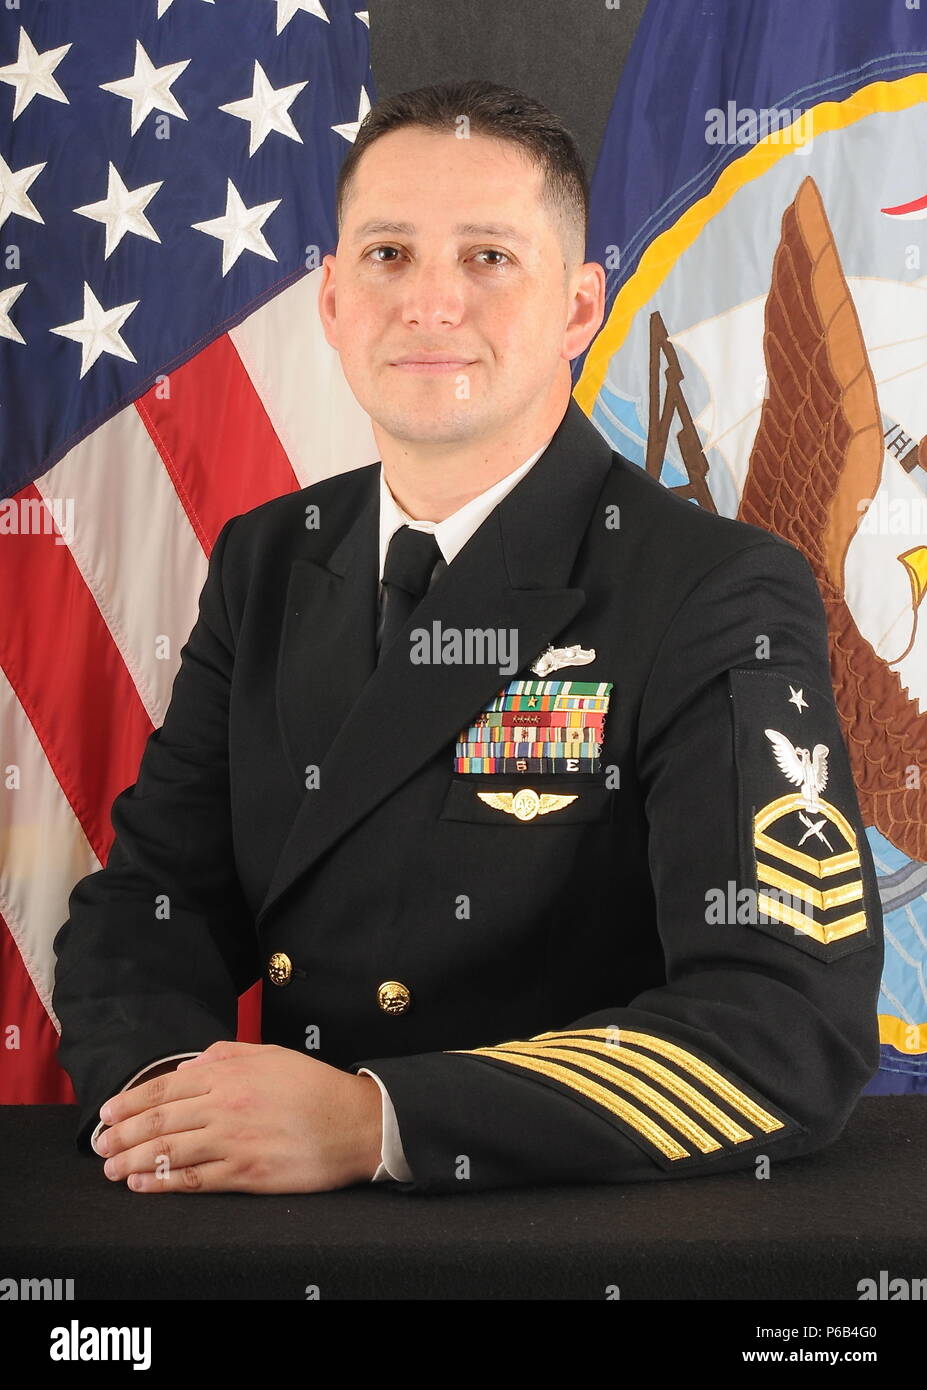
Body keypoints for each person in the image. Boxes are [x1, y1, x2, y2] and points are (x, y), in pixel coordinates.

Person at [52, 79, 883, 1197]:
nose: (429, 304)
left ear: (581, 308)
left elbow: (785, 1025)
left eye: (489, 258)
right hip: (266, 1217)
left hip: (552, 1224)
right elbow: (155, 904)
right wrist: (169, 1107)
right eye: (388, 255)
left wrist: (375, 1121)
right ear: (333, 302)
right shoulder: (272, 560)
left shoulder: (713, 591)